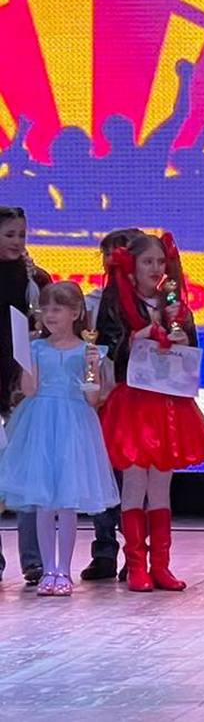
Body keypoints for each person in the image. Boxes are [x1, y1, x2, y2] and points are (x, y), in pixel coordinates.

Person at [97, 232, 204, 592]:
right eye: (147, 261)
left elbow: (190, 350)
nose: (155, 268)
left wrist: (182, 336)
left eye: (160, 261)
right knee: (134, 482)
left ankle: (161, 565)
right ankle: (136, 564)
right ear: (131, 267)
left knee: (161, 485)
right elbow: (107, 348)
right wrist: (136, 338)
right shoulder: (116, 301)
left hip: (167, 401)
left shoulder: (174, 302)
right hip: (133, 402)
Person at [0, 283, 119, 595]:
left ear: (76, 313)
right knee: (44, 501)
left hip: (74, 425)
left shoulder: (87, 350)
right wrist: (26, 359)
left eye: (57, 309)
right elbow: (30, 390)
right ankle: (47, 570)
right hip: (40, 423)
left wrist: (92, 368)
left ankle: (63, 570)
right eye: (46, 309)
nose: (50, 315)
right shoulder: (37, 349)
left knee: (66, 503)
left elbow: (93, 399)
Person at [80, 227, 141, 582]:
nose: (113, 259)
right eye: (108, 253)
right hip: (102, 398)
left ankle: (136, 552)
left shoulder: (151, 303)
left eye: (122, 252)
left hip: (137, 398)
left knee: (134, 478)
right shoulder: (92, 302)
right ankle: (104, 550)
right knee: (102, 474)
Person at [0, 205, 51, 585]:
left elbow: (53, 327)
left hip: (24, 385)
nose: (18, 241)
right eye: (9, 235)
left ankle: (33, 560)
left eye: (22, 234)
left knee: (29, 474)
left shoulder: (35, 279)